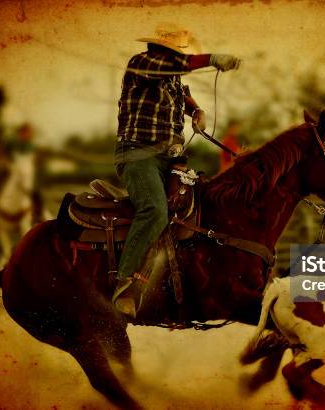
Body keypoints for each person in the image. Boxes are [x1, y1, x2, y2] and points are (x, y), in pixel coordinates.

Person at [112, 24, 241, 314]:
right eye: (175, 51)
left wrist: (195, 110)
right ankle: (124, 283)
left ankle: (175, 279)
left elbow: (182, 93)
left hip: (169, 158)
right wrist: (211, 58)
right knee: (155, 210)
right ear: (164, 50)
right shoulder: (141, 64)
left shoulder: (170, 77)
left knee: (195, 206)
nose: (177, 56)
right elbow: (177, 67)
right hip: (137, 156)